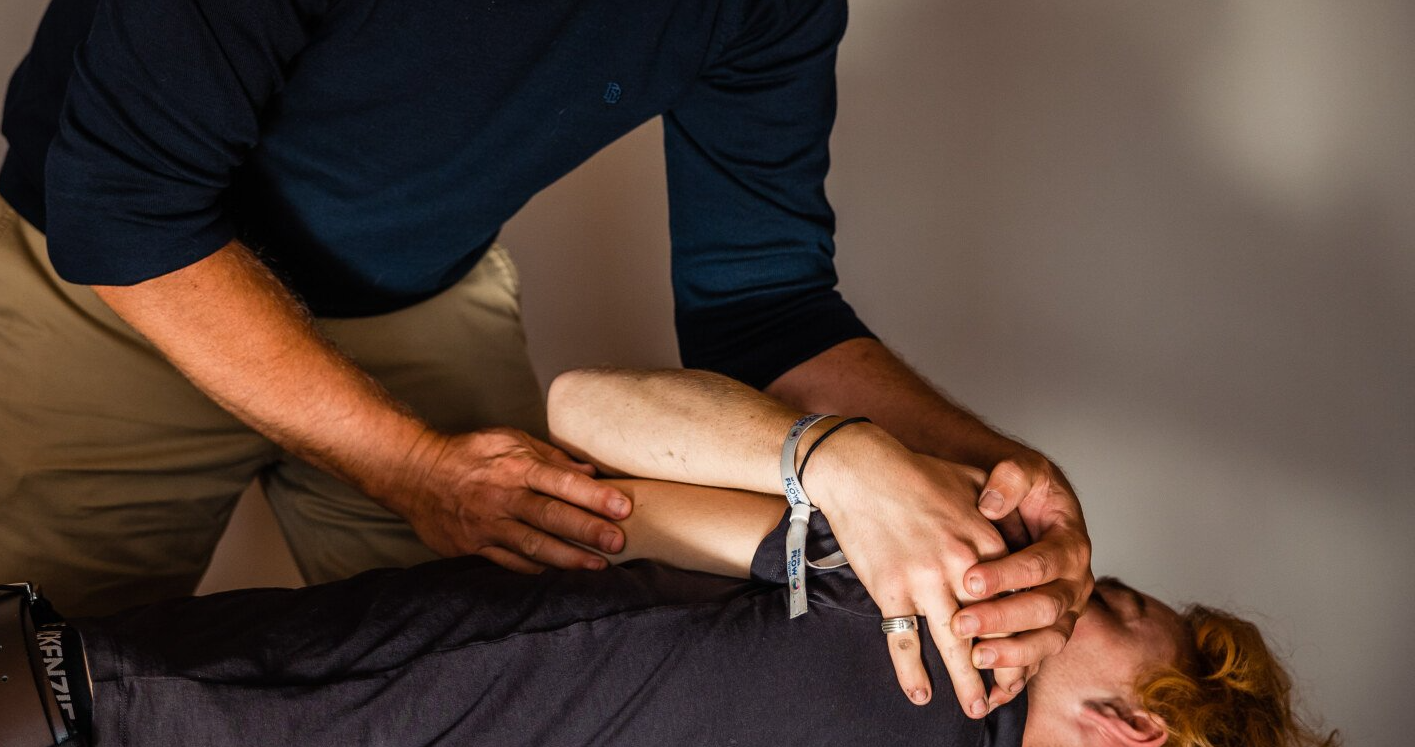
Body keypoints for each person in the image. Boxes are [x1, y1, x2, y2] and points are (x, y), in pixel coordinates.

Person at [0, 0, 1089, 712]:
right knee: (17, 679)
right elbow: (123, 199)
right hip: (120, 285)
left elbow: (765, 309)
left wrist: (1004, 469)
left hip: (415, 293)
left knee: (524, 684)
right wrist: (412, 469)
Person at [0, 367, 1337, 747]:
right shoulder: (909, 585)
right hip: (108, 699)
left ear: (1130, 732)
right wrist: (846, 463)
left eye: (1099, 596)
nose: (1056, 577)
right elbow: (588, 427)